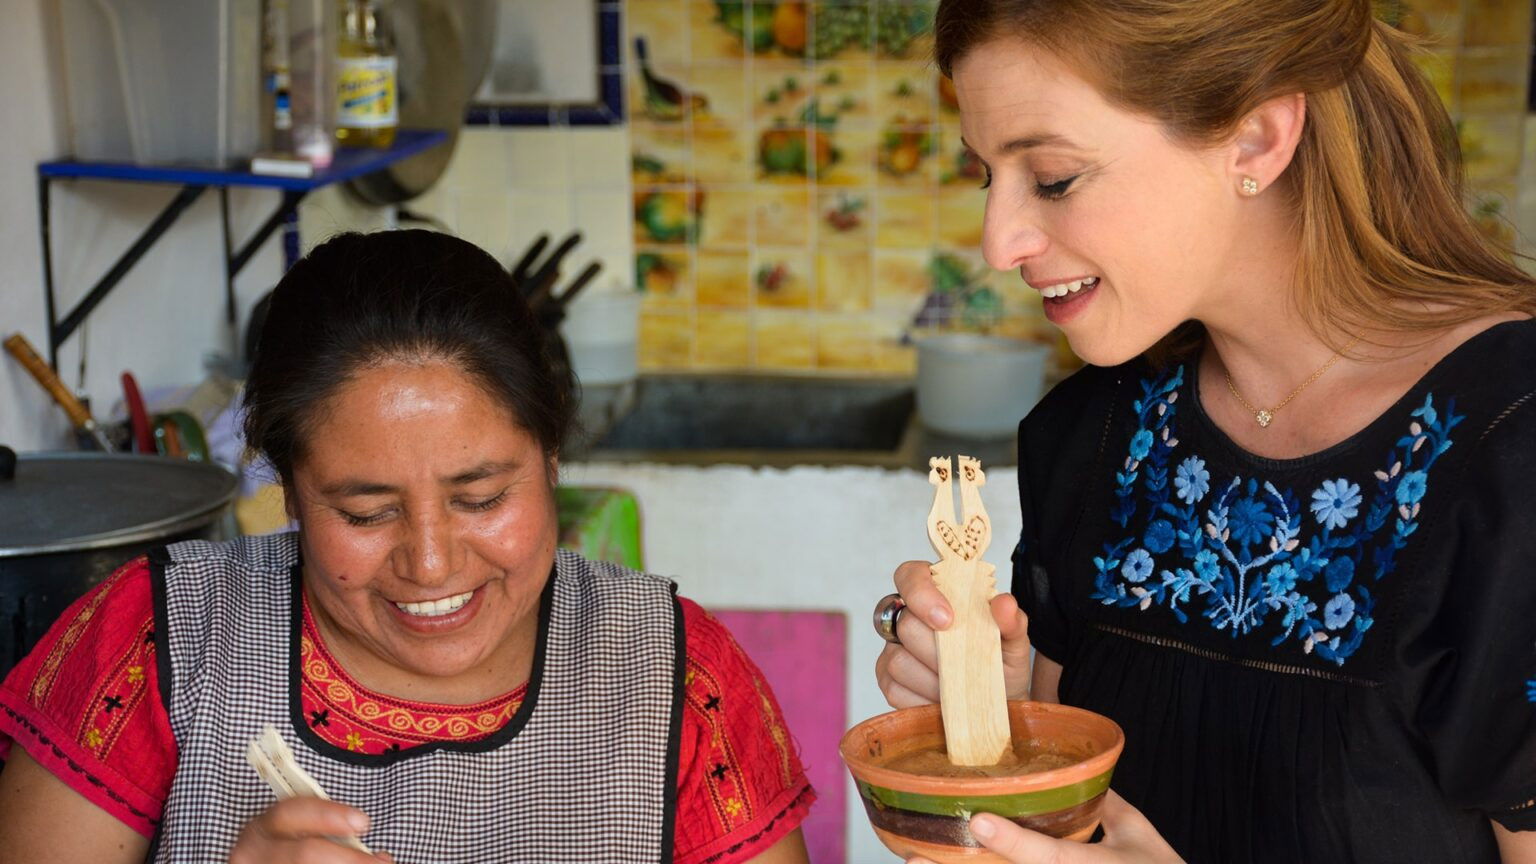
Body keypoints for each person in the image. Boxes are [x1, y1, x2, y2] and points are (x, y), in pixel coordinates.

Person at [874, 0, 1536, 861]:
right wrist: (1004, 733)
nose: (999, 243)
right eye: (985, 176)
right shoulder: (1095, 435)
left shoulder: (1513, 449)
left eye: (1055, 178)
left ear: (1257, 139)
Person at [0, 230, 814, 863]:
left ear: (552, 457)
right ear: (290, 490)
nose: (430, 564)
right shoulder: (161, 641)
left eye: (481, 499)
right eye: (365, 512)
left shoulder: (675, 678)